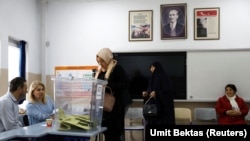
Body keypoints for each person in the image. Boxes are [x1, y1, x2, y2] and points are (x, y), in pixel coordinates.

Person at [94, 47, 128, 141]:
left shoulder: (117, 69)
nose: (100, 64)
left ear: (108, 59)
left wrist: (109, 85)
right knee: (106, 134)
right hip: (102, 110)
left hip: (114, 109)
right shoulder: (100, 72)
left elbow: (124, 85)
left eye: (102, 61)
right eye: (98, 62)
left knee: (113, 135)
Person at [142, 61, 175, 126]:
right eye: (150, 68)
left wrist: (157, 93)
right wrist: (147, 93)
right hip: (153, 107)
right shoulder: (152, 79)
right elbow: (150, 90)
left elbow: (168, 92)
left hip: (163, 108)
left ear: (158, 68)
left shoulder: (165, 78)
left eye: (153, 67)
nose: (151, 69)